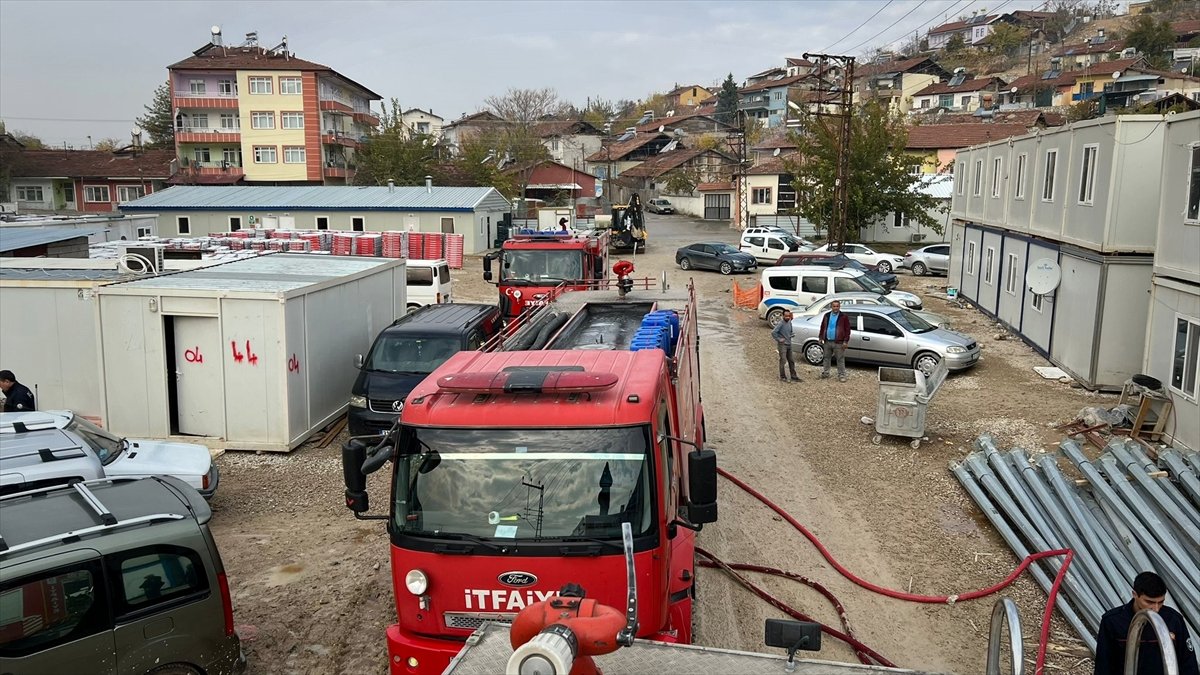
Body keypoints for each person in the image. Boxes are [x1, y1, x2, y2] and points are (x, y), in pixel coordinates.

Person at [1094, 571, 1198, 675]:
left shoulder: (1173, 619)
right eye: (1149, 602)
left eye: (1160, 602)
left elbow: (1188, 664)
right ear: (1135, 594)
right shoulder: (1113, 621)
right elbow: (1103, 665)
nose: (1156, 609)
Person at [818, 302, 852, 382]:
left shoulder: (843, 316)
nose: (836, 308)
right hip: (827, 341)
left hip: (839, 342)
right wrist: (820, 337)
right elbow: (822, 327)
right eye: (834, 306)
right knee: (826, 358)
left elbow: (847, 329)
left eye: (837, 306)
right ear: (831, 307)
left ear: (839, 307)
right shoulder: (826, 315)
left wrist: (845, 341)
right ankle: (826, 372)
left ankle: (841, 375)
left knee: (840, 359)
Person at [771, 311, 801, 383]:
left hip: (789, 344)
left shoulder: (790, 322)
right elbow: (773, 332)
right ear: (783, 316)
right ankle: (783, 376)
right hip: (782, 345)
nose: (787, 317)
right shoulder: (781, 323)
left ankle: (793, 376)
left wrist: (792, 334)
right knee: (783, 360)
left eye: (788, 316)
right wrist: (779, 339)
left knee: (791, 360)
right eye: (786, 316)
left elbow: (790, 331)